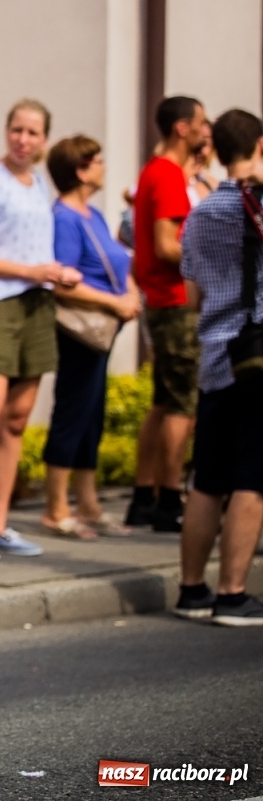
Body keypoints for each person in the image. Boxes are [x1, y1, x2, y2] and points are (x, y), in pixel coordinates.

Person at [0, 100, 77, 563]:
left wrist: (54, 273)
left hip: (36, 304)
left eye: (33, 132)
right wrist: (30, 270)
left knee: (18, 419)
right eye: (17, 130)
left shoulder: (39, 182)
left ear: (44, 140)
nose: (23, 139)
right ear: (7, 132)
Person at [173, 108, 263, 624]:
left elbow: (191, 293)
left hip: (216, 354)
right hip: (257, 355)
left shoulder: (202, 212)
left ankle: (192, 591)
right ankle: (232, 593)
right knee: (253, 475)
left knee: (208, 477)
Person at [42, 136, 138, 539]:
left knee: (92, 414)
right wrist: (112, 302)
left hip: (103, 326)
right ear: (80, 170)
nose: (102, 166)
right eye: (96, 161)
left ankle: (89, 502)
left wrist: (130, 293)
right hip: (79, 329)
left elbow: (117, 260)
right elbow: (63, 281)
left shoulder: (93, 214)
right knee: (73, 410)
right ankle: (56, 506)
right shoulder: (64, 217)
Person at [128, 95, 210, 531]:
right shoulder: (165, 175)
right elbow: (165, 244)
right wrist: (211, 258)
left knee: (163, 402)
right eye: (200, 121)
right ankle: (168, 499)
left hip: (165, 299)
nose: (204, 129)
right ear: (182, 128)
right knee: (183, 404)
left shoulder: (161, 172)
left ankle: (144, 495)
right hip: (175, 300)